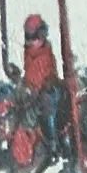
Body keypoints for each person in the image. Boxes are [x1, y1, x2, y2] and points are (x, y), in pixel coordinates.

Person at [22, 14, 62, 148]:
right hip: (33, 90)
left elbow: (49, 73)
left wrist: (47, 84)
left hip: (48, 90)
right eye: (28, 37)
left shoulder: (45, 51)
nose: (31, 41)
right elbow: (29, 73)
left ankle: (51, 140)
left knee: (47, 106)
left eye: (34, 37)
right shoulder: (29, 51)